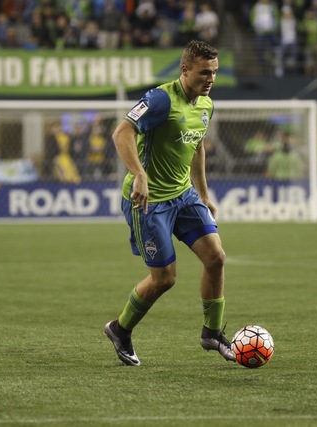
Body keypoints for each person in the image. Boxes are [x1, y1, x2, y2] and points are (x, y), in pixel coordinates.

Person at [104, 40, 234, 366]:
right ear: (185, 69)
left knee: (216, 258)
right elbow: (122, 133)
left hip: (184, 194)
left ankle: (212, 332)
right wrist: (139, 174)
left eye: (215, 73)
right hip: (148, 202)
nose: (210, 79)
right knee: (165, 279)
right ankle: (120, 329)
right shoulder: (161, 99)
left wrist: (203, 193)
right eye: (205, 73)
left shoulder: (206, 104)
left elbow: (198, 145)